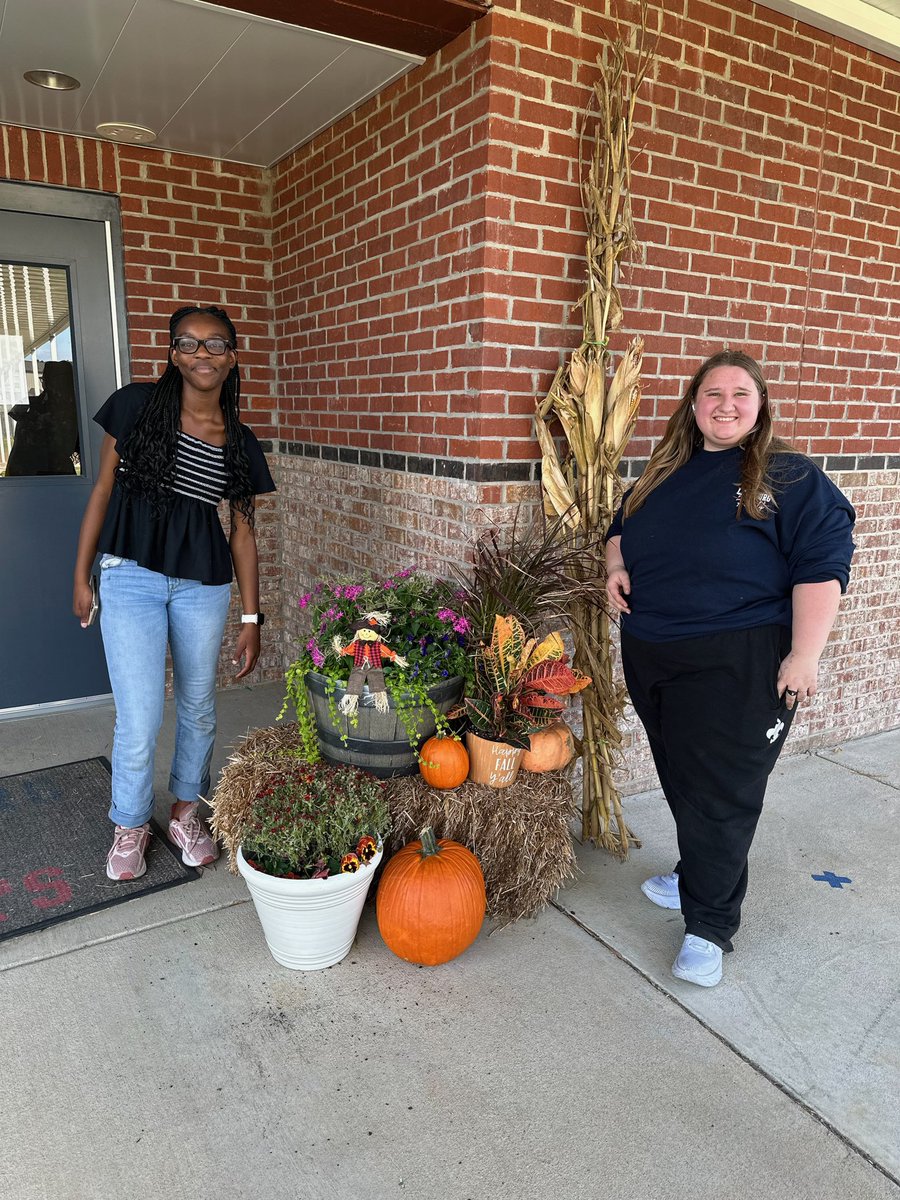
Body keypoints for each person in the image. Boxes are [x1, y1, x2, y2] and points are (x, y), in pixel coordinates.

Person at [605, 350, 855, 988]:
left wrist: (804, 655)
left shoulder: (788, 476)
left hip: (739, 659)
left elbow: (822, 566)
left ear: (760, 404)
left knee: (722, 792)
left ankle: (709, 925)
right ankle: (697, 873)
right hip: (654, 651)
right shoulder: (665, 472)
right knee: (681, 774)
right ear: (693, 406)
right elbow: (619, 526)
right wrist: (616, 566)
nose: (726, 405)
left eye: (741, 393)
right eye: (713, 394)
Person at [73, 304, 275, 882]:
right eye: (188, 343)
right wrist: (81, 574)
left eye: (215, 344)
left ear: (232, 358)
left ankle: (187, 811)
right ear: (172, 354)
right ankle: (131, 823)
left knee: (198, 706)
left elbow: (242, 534)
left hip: (202, 584)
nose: (201, 353)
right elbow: (103, 490)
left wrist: (252, 618)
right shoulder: (136, 407)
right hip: (129, 573)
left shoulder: (239, 441)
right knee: (139, 716)